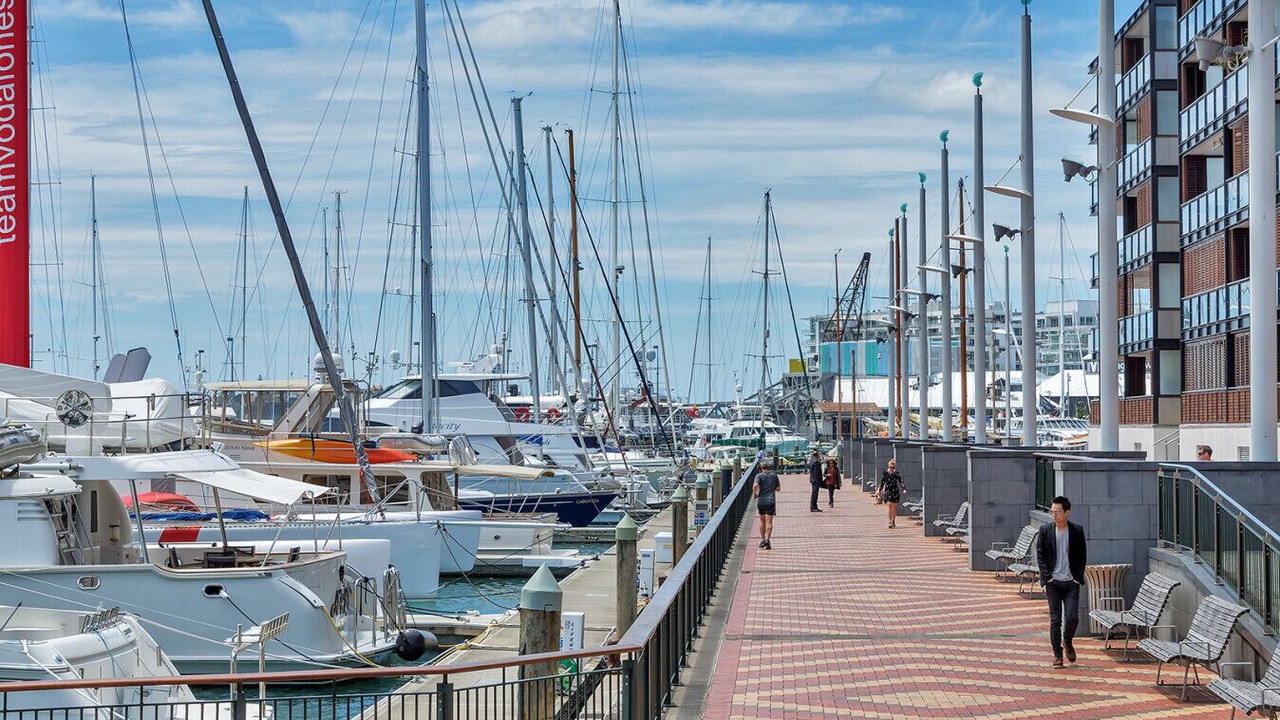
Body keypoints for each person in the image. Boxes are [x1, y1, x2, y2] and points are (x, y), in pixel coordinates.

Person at [1036, 495, 1087, 668]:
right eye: (1052, 511)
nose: (1054, 515)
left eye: (1058, 512)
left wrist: (1077, 578)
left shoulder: (1077, 531)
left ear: (1067, 513)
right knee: (1055, 619)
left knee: (1072, 617)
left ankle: (1068, 640)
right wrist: (1047, 577)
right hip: (1054, 583)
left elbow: (1081, 556)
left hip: (1071, 582)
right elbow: (1040, 556)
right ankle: (1057, 655)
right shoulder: (1045, 531)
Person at [752, 461, 781, 550]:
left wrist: (754, 494)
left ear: (761, 468)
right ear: (769, 468)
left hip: (761, 501)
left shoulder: (759, 476)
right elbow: (778, 488)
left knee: (762, 520)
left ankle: (762, 539)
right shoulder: (774, 475)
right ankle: (767, 540)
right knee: (769, 522)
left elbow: (755, 485)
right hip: (771, 501)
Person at [877, 459, 904, 528]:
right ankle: (889, 521)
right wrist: (880, 490)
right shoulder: (885, 473)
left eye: (893, 467)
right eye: (890, 467)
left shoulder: (896, 473)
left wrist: (904, 488)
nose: (892, 469)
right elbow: (882, 482)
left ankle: (893, 520)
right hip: (888, 491)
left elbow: (900, 481)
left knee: (894, 507)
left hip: (895, 491)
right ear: (888, 466)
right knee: (889, 505)